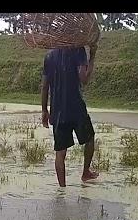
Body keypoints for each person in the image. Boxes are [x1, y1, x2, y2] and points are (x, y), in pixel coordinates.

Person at [41, 42, 99, 187]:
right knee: (89, 138)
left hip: (58, 110)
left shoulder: (50, 55)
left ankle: (62, 188)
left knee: (60, 152)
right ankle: (86, 172)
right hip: (76, 108)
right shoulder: (78, 51)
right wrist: (92, 56)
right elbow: (84, 79)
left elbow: (45, 85)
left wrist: (44, 109)